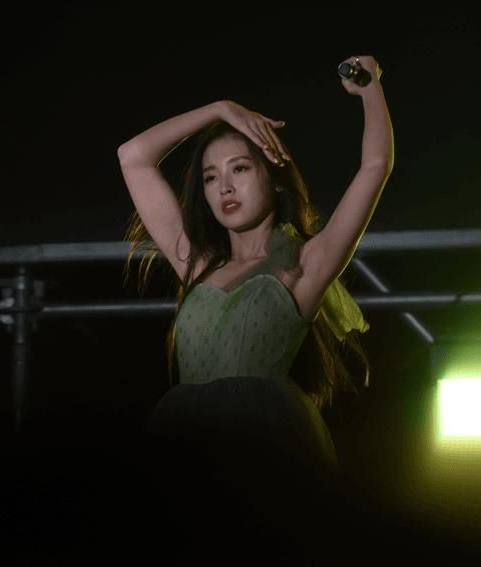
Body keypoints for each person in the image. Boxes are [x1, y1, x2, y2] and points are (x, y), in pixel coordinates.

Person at [117, 55, 393, 561]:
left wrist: (371, 86)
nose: (224, 186)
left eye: (240, 169)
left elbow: (374, 168)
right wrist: (219, 108)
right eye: (210, 177)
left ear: (275, 177)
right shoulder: (195, 263)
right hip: (185, 443)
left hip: (266, 443)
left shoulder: (304, 266)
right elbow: (133, 156)